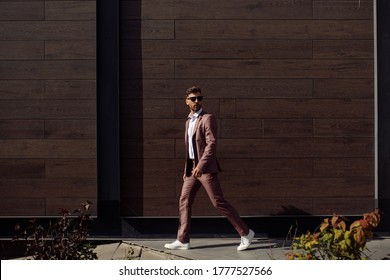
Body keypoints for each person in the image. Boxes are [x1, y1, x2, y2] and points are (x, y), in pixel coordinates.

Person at [164, 86, 255, 251]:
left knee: (218, 202)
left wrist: (200, 165)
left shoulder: (207, 118)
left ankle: (246, 233)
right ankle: (183, 240)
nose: (197, 101)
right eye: (193, 99)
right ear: (187, 102)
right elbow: (190, 149)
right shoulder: (188, 122)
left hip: (204, 168)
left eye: (200, 98)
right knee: (184, 201)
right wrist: (188, 170)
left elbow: (211, 144)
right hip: (192, 169)